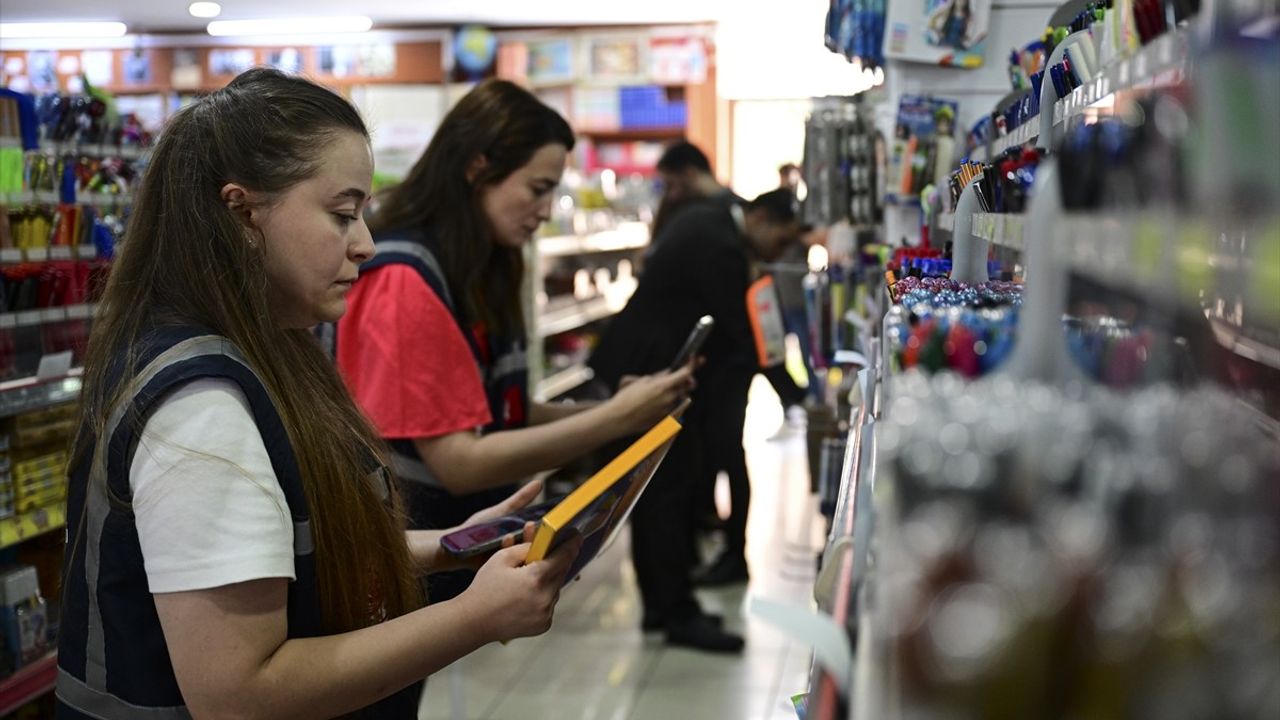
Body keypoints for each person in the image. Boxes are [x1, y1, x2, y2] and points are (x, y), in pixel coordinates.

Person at [57, 69, 580, 719]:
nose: (364, 243)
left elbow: (281, 552)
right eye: (342, 214)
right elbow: (239, 691)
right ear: (244, 212)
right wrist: (474, 617)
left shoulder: (272, 346)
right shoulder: (201, 412)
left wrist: (447, 546)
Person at [335, 79, 692, 602]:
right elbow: (460, 461)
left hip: (439, 556)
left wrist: (620, 407)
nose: (548, 210)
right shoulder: (404, 278)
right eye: (538, 187)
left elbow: (503, 412)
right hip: (392, 562)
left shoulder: (479, 265)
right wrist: (614, 419)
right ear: (478, 167)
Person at [590, 188, 802, 652]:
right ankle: (675, 613)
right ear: (761, 217)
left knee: (654, 492)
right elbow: (740, 326)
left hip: (641, 362)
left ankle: (661, 608)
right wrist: (796, 395)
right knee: (666, 490)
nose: (780, 252)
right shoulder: (720, 243)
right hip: (646, 371)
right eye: (782, 240)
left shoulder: (707, 218)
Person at [649, 140, 742, 243]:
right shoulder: (739, 207)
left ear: (689, 174)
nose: (671, 195)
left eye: (670, 185)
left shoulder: (699, 215)